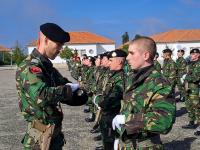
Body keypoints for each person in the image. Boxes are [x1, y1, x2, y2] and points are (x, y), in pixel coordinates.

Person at [16, 23, 88, 150]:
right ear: (46, 40)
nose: (60, 49)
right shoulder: (30, 67)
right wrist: (68, 91)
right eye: (58, 44)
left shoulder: (47, 68)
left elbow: (64, 86)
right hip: (38, 132)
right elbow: (41, 95)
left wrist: (79, 95)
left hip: (53, 133)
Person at [112, 37, 176, 150]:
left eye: (132, 53)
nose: (127, 58)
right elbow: (128, 108)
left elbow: (164, 122)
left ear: (145, 55)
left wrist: (126, 119)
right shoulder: (132, 78)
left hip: (146, 145)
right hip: (127, 143)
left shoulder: (160, 83)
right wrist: (119, 137)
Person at [95, 49, 126, 150]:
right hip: (107, 114)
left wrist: (99, 101)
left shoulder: (121, 78)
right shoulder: (113, 75)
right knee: (107, 139)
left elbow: (113, 99)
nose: (109, 62)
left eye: (111, 60)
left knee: (112, 141)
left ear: (120, 62)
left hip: (113, 115)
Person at [182, 48, 200, 136]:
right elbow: (186, 73)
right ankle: (191, 122)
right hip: (188, 89)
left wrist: (186, 78)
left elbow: (197, 77)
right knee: (189, 106)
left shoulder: (198, 64)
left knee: (197, 108)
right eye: (192, 54)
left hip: (195, 89)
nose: (194, 55)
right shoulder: (189, 64)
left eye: (196, 54)